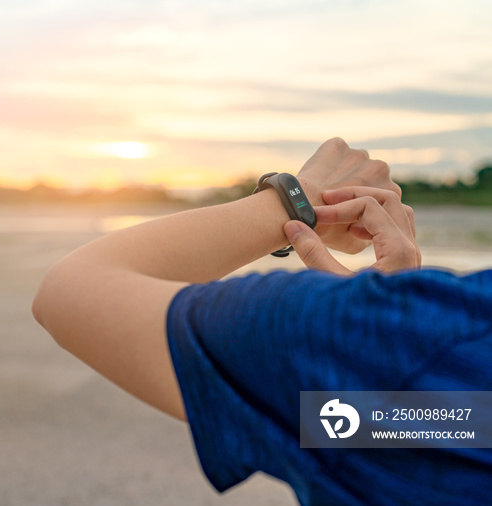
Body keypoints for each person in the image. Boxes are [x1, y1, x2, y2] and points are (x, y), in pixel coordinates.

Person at [32, 138, 492, 505]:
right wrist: (398, 367)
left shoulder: (370, 342)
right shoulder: (429, 374)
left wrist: (293, 200)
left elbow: (65, 292)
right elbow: (445, 423)